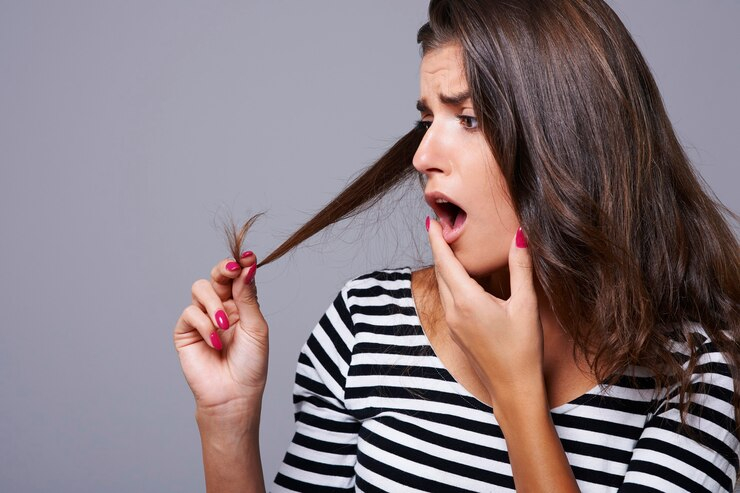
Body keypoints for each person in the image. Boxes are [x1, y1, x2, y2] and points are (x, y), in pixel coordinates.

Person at [173, 0, 740, 491]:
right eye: (428, 119)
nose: (422, 157)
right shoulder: (361, 328)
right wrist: (227, 422)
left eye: (468, 119)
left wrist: (516, 392)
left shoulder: (696, 377)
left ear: (569, 141)